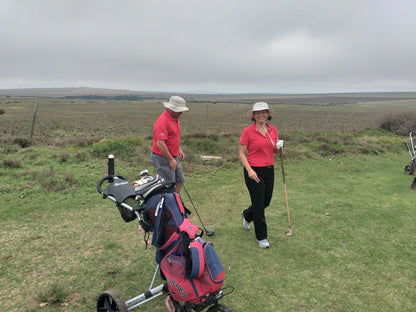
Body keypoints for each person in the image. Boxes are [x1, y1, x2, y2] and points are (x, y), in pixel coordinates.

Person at [239, 102, 284, 248]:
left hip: (269, 169)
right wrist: (250, 170)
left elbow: (274, 151)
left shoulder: (273, 130)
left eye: (263, 112)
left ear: (268, 114)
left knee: (266, 201)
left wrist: (278, 147)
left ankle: (247, 215)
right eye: (257, 113)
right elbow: (241, 153)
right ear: (253, 115)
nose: (261, 115)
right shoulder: (248, 131)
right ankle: (261, 237)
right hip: (253, 170)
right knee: (258, 204)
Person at [151, 95, 189, 193]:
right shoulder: (162, 121)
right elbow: (160, 143)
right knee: (168, 185)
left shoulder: (175, 118)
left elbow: (173, 136)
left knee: (179, 181)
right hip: (162, 157)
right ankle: (166, 205)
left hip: (172, 156)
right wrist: (171, 160)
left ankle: (175, 202)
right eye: (179, 110)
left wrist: (178, 149)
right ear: (171, 109)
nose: (181, 113)